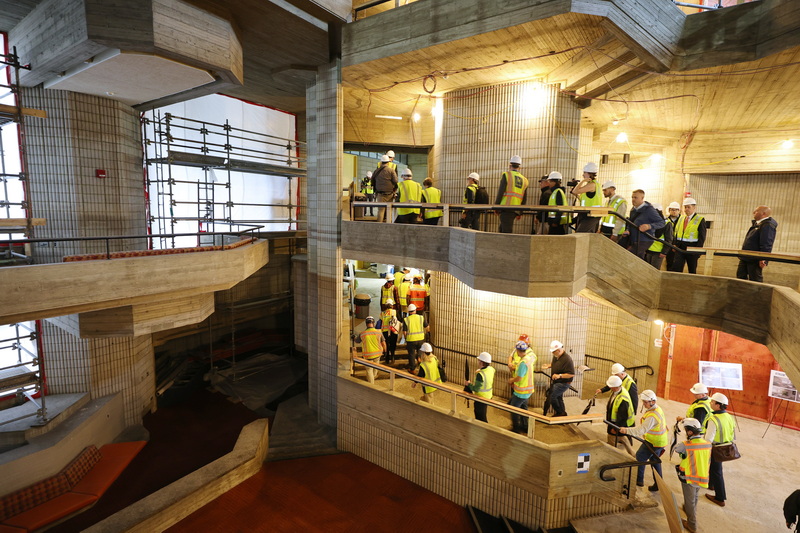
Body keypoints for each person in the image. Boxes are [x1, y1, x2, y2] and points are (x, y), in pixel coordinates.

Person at [619, 390, 668, 492]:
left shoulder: (652, 416)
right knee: (655, 462)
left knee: (640, 458)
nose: (644, 404)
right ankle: (659, 483)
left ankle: (638, 481)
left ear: (652, 401)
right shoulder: (657, 409)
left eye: (645, 402)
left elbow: (641, 430)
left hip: (653, 442)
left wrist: (626, 430)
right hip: (659, 441)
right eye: (643, 402)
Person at [675, 418, 712, 533]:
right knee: (694, 498)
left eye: (686, 430)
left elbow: (676, 449)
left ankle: (692, 525)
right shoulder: (707, 444)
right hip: (702, 476)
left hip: (689, 478)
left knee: (689, 501)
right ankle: (690, 512)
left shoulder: (686, 445)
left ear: (690, 432)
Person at [704, 392, 735, 507]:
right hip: (726, 447)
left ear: (718, 405)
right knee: (714, 468)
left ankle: (720, 497)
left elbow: (708, 438)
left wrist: (703, 448)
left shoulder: (714, 419)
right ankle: (711, 485)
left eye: (712, 402)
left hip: (716, 448)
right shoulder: (728, 416)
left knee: (717, 472)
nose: (710, 403)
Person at [737, 205, 778, 282]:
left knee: (755, 280)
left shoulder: (768, 225)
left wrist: (764, 258)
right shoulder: (758, 224)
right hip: (746, 256)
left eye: (756, 211)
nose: (753, 213)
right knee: (740, 276)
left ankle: (757, 294)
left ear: (763, 213)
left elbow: (766, 242)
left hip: (755, 259)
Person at [623, 189, 665, 261]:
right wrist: (628, 230)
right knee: (638, 259)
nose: (633, 199)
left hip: (644, 239)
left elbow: (661, 222)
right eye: (632, 197)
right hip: (634, 239)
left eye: (635, 197)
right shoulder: (633, 209)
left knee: (629, 256)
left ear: (642, 198)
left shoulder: (649, 210)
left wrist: (649, 226)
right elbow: (631, 221)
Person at [671, 197, 707, 274]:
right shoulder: (681, 218)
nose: (686, 209)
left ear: (694, 207)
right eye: (685, 207)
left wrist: (698, 251)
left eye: (688, 207)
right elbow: (676, 232)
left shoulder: (700, 219)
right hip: (680, 247)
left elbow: (702, 237)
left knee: (692, 269)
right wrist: (674, 244)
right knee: (676, 268)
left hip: (692, 248)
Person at [495, 155, 528, 233]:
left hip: (506, 207)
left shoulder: (507, 175)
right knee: (502, 229)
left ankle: (507, 245)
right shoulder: (525, 180)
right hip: (516, 209)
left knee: (506, 232)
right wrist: (521, 212)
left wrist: (496, 206)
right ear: (519, 167)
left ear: (510, 165)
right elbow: (524, 198)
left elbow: (500, 192)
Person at [604, 375, 635, 455]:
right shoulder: (618, 390)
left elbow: (623, 416)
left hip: (617, 424)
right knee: (623, 439)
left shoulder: (622, 399)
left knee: (612, 440)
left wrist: (616, 428)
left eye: (611, 386)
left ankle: (611, 455)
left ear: (615, 387)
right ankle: (634, 455)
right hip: (616, 423)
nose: (610, 388)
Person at [542, 340, 573, 417]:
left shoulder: (567, 359)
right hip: (556, 382)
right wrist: (549, 365)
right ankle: (562, 413)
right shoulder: (556, 356)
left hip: (563, 383)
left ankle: (560, 412)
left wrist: (559, 375)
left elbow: (571, 374)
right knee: (558, 397)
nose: (552, 353)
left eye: (554, 352)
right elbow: (555, 364)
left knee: (552, 396)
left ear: (559, 350)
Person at [508, 348, 535, 433]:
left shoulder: (523, 363)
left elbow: (519, 378)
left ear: (518, 351)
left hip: (521, 391)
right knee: (524, 408)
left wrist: (511, 380)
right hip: (527, 390)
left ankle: (516, 428)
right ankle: (525, 427)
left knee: (513, 408)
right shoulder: (528, 358)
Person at [571, 162, 602, 233]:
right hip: (589, 214)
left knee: (581, 234)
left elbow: (575, 191)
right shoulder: (594, 184)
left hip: (591, 215)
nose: (583, 174)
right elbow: (585, 200)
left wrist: (582, 181)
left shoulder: (592, 185)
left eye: (584, 172)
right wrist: (577, 196)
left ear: (589, 173)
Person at [465, 351, 495, 422]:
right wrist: (480, 370)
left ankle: (484, 429)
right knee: (483, 412)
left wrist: (469, 384)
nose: (478, 362)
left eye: (479, 360)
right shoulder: (491, 369)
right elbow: (487, 374)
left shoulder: (480, 375)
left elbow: (476, 389)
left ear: (482, 362)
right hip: (488, 396)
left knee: (480, 416)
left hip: (481, 398)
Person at [644, 204, 673, 269]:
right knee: (646, 270)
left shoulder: (667, 223)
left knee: (654, 271)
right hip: (648, 250)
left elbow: (669, 239)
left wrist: (664, 252)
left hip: (658, 252)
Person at [358, 316, 386, 384]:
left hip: (368, 355)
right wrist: (385, 351)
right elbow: (384, 343)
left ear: (366, 323)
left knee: (369, 370)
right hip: (378, 354)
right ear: (373, 323)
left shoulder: (362, 333)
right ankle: (373, 377)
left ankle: (371, 384)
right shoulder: (379, 332)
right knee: (375, 367)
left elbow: (357, 341)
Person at [402, 304, 428, 373]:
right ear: (415, 310)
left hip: (411, 340)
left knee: (411, 354)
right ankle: (419, 358)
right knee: (420, 350)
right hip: (420, 338)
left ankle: (412, 369)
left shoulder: (406, 319)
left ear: (408, 312)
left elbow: (404, 332)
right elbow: (427, 327)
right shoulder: (421, 317)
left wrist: (406, 338)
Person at [373, 155, 398, 222]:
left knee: (380, 211)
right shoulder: (391, 170)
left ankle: (379, 227)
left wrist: (375, 191)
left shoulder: (376, 171)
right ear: (388, 162)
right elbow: (395, 181)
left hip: (380, 194)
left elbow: (373, 181)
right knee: (389, 211)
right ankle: (388, 225)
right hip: (389, 194)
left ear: (381, 162)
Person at [377, 299, 398, 365]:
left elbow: (379, 323)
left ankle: (387, 359)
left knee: (386, 345)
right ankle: (393, 357)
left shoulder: (382, 313)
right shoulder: (394, 312)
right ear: (392, 305)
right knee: (393, 344)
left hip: (385, 331)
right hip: (393, 331)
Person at [664, 201, 681, 270]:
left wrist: (676, 244)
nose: (674, 211)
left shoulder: (682, 220)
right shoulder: (666, 220)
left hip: (678, 245)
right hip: (669, 245)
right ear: (669, 210)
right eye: (672, 210)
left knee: (678, 264)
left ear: (679, 210)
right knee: (669, 263)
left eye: (676, 210)